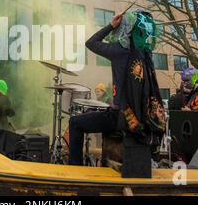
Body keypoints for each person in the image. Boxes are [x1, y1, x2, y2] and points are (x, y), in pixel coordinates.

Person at [69, 10, 165, 166]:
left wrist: (111, 25)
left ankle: (75, 169)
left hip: (122, 117)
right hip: (142, 119)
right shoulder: (146, 55)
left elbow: (91, 43)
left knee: (75, 123)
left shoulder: (120, 50)